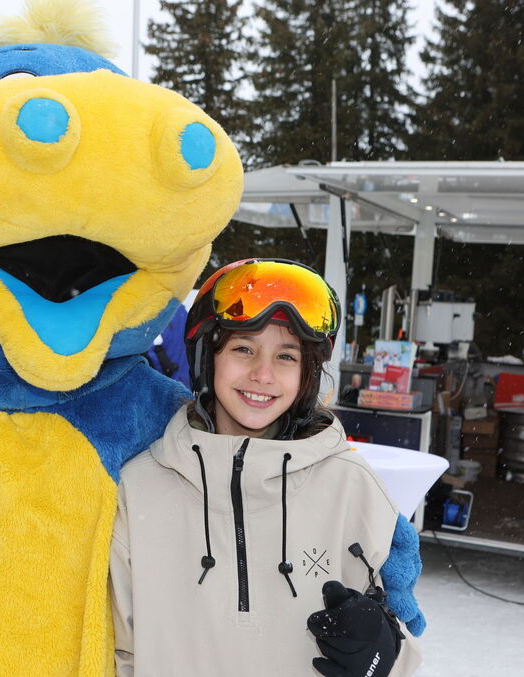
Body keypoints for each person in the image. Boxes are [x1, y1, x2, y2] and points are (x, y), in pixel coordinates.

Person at [110, 258, 423, 677]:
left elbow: (398, 642)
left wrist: (383, 658)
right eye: (244, 349)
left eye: (286, 356)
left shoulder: (351, 486)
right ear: (207, 358)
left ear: (307, 374)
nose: (263, 374)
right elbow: (119, 653)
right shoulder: (139, 488)